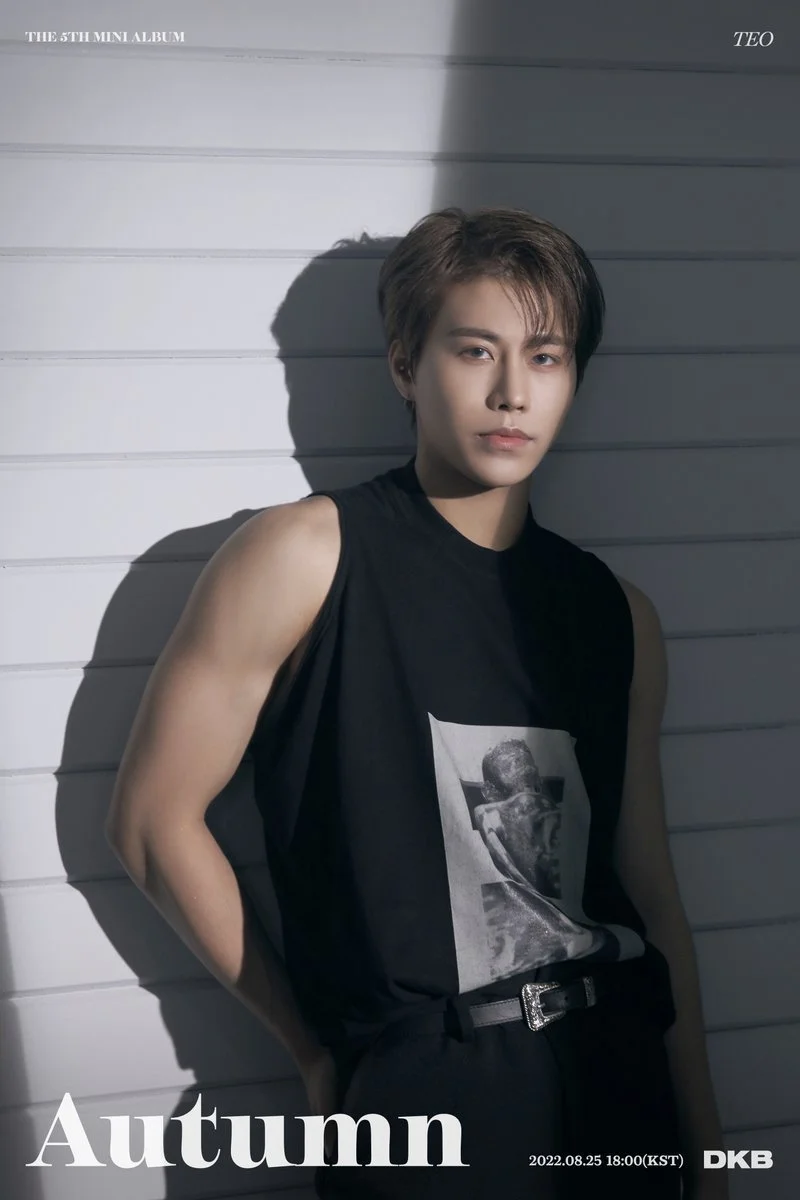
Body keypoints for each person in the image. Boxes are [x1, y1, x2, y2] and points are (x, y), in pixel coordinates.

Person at [106, 207, 728, 1198]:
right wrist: (315, 1051)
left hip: (616, 1079)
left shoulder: (616, 614)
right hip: (429, 1100)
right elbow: (150, 824)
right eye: (475, 350)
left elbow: (649, 892)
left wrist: (702, 1142)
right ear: (405, 364)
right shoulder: (305, 556)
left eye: (546, 357)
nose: (512, 391)